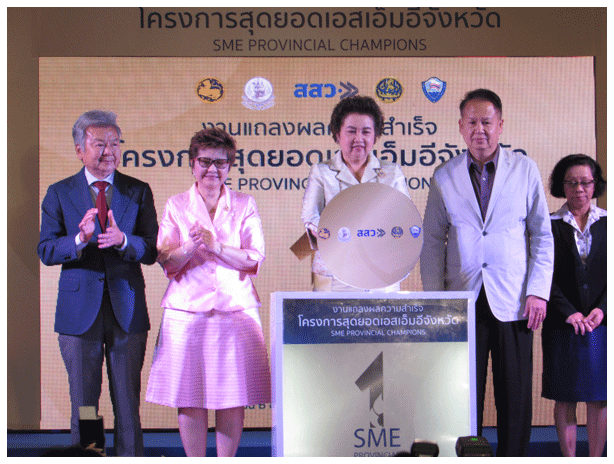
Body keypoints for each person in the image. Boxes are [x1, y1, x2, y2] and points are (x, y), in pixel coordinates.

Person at [420, 89, 554, 456]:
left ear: (501, 125)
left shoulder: (524, 169)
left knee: (515, 394)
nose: (480, 129)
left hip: (515, 298)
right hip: (462, 300)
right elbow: (432, 241)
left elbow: (541, 234)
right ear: (461, 127)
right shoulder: (444, 175)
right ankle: (469, 457)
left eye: (487, 122)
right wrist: (436, 300)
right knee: (465, 394)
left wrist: (538, 290)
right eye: (472, 122)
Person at [38, 110, 159, 456]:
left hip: (127, 310)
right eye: (100, 144)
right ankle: (90, 457)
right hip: (79, 314)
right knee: (85, 403)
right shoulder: (60, 192)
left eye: (115, 143)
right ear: (80, 150)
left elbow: (152, 249)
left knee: (127, 401)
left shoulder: (138, 190)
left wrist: (124, 240)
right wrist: (79, 238)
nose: (109, 151)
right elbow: (46, 250)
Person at [146, 127, 271, 457]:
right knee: (190, 397)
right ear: (192, 163)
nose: (212, 169)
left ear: (230, 166)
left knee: (233, 397)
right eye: (205, 161)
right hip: (187, 312)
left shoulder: (244, 203)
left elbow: (254, 257)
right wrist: (190, 246)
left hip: (235, 311)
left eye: (221, 162)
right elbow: (166, 258)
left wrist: (217, 247)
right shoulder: (177, 204)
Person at [301, 95, 411, 291]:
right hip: (333, 272)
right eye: (351, 131)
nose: (359, 139)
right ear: (337, 134)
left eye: (366, 132)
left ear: (375, 136)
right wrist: (342, 233)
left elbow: (405, 217)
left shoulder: (392, 172)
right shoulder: (322, 172)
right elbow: (310, 216)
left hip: (381, 270)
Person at [542, 154, 607, 457]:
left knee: (599, 397)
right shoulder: (548, 225)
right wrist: (569, 313)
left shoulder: (609, 223)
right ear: (561, 185)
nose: (579, 189)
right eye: (571, 182)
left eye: (585, 182)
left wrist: (603, 309)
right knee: (565, 396)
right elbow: (542, 275)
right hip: (561, 323)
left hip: (600, 324)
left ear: (595, 185)